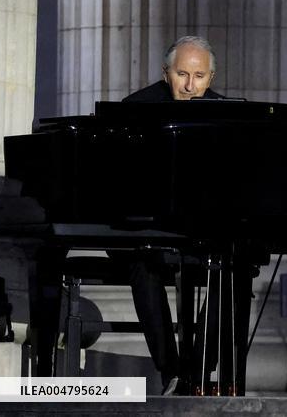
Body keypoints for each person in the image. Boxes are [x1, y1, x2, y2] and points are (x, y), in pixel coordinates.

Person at [119, 36, 223, 395]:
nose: (191, 87)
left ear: (211, 78)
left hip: (201, 231)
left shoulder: (228, 115)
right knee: (141, 266)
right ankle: (171, 372)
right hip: (144, 231)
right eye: (182, 75)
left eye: (199, 76)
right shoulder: (135, 108)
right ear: (166, 74)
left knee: (233, 273)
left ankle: (198, 373)